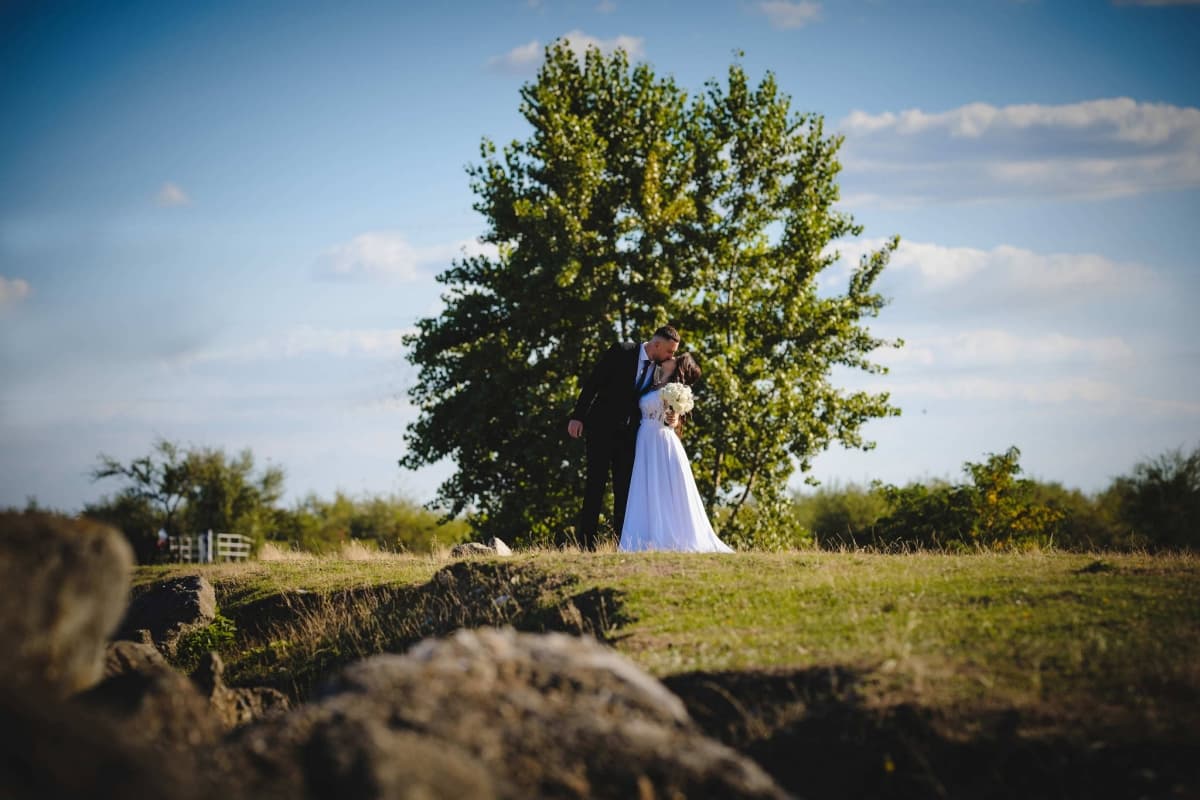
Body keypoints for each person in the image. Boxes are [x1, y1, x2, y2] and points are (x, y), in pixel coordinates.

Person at [568, 325, 681, 550]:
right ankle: (586, 544)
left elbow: (656, 402)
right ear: (657, 344)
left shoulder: (659, 370)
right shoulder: (622, 351)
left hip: (629, 437)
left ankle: (623, 544)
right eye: (669, 351)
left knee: (625, 491)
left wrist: (672, 416)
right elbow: (593, 383)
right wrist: (577, 417)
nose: (672, 356)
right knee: (595, 486)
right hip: (601, 430)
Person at [619, 352, 734, 553]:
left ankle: (668, 536)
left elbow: (674, 415)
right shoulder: (653, 379)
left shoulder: (676, 389)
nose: (669, 358)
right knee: (645, 484)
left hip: (661, 439)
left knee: (663, 486)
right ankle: (645, 536)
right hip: (644, 437)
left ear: (678, 366)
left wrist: (675, 418)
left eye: (674, 357)